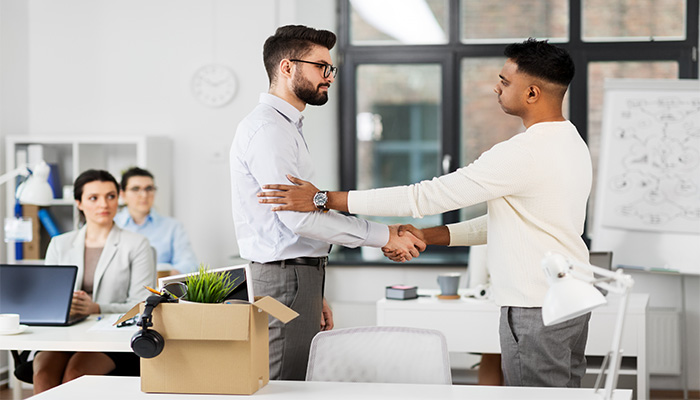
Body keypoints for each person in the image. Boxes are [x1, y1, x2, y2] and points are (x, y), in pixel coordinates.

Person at [258, 38, 594, 388]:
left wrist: (324, 199)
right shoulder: (571, 143)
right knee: (567, 392)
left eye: (505, 81)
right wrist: (427, 236)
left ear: (532, 94)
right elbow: (514, 221)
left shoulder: (522, 153)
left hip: (534, 307)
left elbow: (425, 198)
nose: (497, 87)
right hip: (569, 302)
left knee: (537, 397)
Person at [230, 24, 425, 381]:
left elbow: (303, 215)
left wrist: (313, 291)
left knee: (296, 378)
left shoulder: (285, 127)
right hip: (285, 277)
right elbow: (299, 220)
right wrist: (384, 235)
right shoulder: (269, 131)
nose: (330, 77)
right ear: (288, 67)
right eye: (322, 66)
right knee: (284, 383)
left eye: (330, 68)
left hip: (296, 276)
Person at [32, 169, 156, 394]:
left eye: (110, 196)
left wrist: (95, 308)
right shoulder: (60, 244)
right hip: (65, 333)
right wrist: (63, 305)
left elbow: (142, 304)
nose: (104, 204)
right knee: (43, 375)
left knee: (76, 373)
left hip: (110, 337)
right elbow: (48, 299)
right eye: (93, 198)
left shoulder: (137, 244)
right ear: (79, 203)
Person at [115, 167, 198, 276]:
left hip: (159, 289)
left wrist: (163, 275)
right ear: (123, 194)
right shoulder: (112, 225)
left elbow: (189, 264)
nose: (144, 195)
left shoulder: (173, 227)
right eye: (136, 189)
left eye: (149, 188)